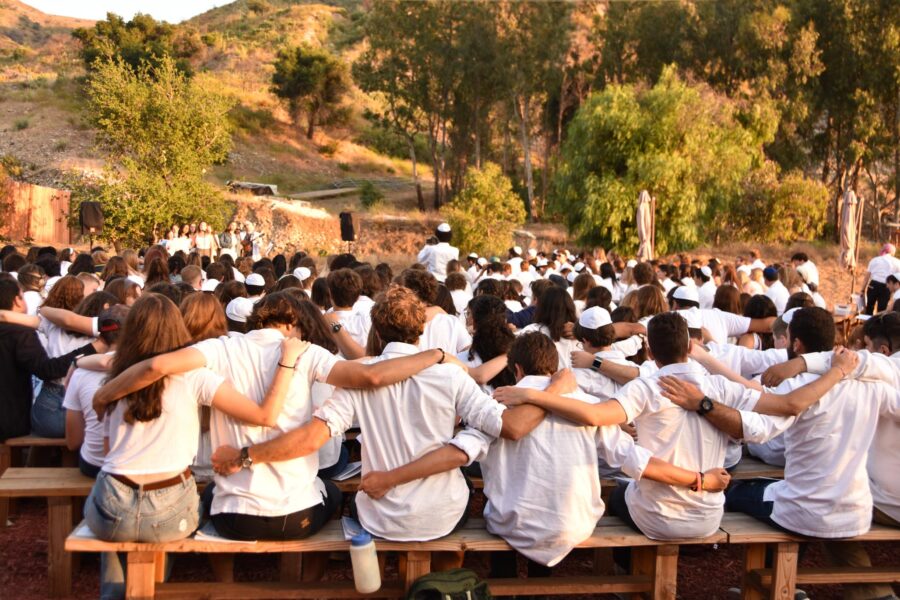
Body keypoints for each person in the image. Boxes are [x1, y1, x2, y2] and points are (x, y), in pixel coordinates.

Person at [209, 286, 552, 566]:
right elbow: (510, 427)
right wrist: (553, 393)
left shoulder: (361, 378)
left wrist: (245, 456)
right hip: (440, 512)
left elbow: (312, 437)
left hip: (381, 515)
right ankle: (444, 579)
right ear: (421, 328)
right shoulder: (449, 374)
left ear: (376, 328)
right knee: (462, 492)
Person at [93, 290, 456, 546]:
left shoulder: (218, 348)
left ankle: (223, 586)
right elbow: (371, 376)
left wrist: (107, 392)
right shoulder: (306, 352)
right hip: (294, 516)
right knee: (332, 493)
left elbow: (157, 365)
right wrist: (434, 355)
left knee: (205, 499)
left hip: (232, 515)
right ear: (293, 324)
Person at [494, 311, 849, 541]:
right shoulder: (720, 387)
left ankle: (632, 581)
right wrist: (833, 370)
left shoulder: (647, 387)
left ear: (649, 352)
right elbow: (787, 406)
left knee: (617, 492)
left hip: (657, 517)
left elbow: (594, 416)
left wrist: (541, 395)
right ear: (689, 347)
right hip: (709, 513)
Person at [661, 307, 897, 600]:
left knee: (736, 493)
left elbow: (753, 430)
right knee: (814, 509)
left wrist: (703, 404)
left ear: (796, 344)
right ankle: (802, 586)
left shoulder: (797, 386)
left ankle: (760, 587)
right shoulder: (873, 388)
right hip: (855, 509)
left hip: (804, 508)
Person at [85, 293, 305, 598]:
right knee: (206, 501)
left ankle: (116, 593)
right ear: (179, 330)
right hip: (170, 508)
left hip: (112, 501)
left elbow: (109, 454)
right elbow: (262, 415)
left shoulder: (114, 383)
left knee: (114, 522)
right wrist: (286, 363)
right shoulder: (196, 377)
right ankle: (153, 585)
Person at [0, 277, 104, 441]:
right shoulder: (20, 334)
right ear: (17, 300)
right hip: (10, 421)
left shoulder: (34, 327)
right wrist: (93, 349)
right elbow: (46, 370)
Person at [64, 305, 129, 478]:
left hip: (94, 463)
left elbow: (73, 441)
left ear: (100, 336)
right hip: (136, 466)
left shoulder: (80, 372)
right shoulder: (146, 365)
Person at [861, 243, 900, 314]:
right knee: (882, 308)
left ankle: (867, 323)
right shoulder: (897, 262)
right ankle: (879, 324)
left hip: (873, 285)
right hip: (887, 286)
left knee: (869, 306)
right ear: (892, 252)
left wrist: (862, 290)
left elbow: (866, 277)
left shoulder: (874, 260)